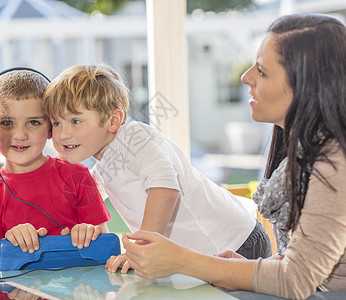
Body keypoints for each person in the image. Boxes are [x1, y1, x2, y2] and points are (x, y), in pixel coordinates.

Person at [121, 14, 346, 299]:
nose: (246, 77)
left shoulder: (334, 165)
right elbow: (304, 262)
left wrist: (184, 261)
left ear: (307, 85)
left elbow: (296, 279)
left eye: (262, 71)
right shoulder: (307, 153)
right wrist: (248, 269)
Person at [42, 63, 272, 274]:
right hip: (203, 255)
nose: (62, 134)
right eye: (56, 123)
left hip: (235, 242)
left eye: (75, 121)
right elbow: (81, 202)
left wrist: (142, 250)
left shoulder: (134, 138)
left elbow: (164, 188)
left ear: (113, 121)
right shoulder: (104, 167)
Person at [0, 68, 111, 272]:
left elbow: (106, 252)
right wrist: (13, 249)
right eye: (7, 123)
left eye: (34, 122)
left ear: (51, 129)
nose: (19, 135)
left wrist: (89, 234)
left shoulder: (77, 176)